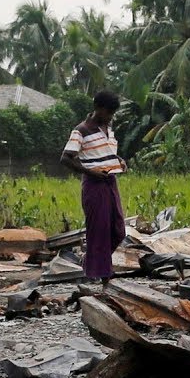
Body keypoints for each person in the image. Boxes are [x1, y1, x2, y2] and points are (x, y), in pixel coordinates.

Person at [60, 90, 127, 283]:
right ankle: (104, 274)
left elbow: (107, 152)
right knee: (99, 229)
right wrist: (91, 172)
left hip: (110, 181)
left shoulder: (108, 128)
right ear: (98, 108)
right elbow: (65, 158)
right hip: (93, 184)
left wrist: (120, 160)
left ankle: (92, 263)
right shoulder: (81, 130)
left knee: (118, 230)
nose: (110, 117)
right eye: (108, 112)